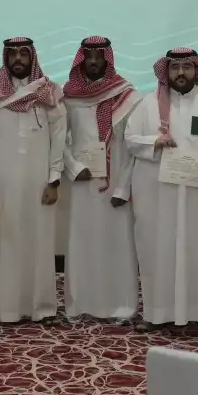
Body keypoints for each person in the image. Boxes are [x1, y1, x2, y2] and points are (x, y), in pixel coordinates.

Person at [125, 48, 198, 339]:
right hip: (158, 195)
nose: (180, 73)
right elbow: (129, 139)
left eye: (186, 67)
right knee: (157, 250)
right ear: (166, 70)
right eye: (175, 67)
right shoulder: (148, 104)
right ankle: (157, 314)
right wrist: (155, 141)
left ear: (196, 70)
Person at [0, 37, 66, 324]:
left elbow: (59, 138)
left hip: (39, 183)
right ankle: (1, 308)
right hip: (2, 183)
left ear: (32, 57)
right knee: (4, 242)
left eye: (23, 54)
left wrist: (54, 180)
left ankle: (42, 307)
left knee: (40, 242)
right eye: (13, 54)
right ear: (5, 58)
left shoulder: (49, 93)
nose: (18, 59)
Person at [61, 36, 143, 322]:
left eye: (99, 57)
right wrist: (73, 168)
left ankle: (120, 306)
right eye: (89, 57)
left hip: (115, 186)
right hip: (82, 185)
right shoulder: (69, 97)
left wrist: (123, 187)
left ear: (108, 60)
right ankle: (80, 305)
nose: (94, 62)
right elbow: (59, 140)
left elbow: (133, 147)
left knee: (117, 245)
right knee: (82, 243)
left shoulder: (127, 96)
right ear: (81, 60)